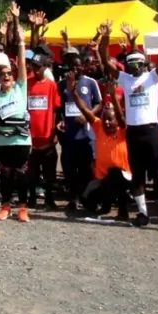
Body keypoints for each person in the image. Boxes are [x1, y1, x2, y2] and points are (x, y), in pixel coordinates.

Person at [98, 18, 158, 232]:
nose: (134, 66)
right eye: (131, 62)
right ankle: (142, 214)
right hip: (133, 132)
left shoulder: (152, 78)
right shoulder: (125, 79)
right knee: (137, 176)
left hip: (151, 131)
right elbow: (105, 61)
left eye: (138, 62)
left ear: (143, 63)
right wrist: (105, 37)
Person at [0, 2, 33, 223]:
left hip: (21, 141)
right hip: (2, 142)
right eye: (2, 74)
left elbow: (21, 63)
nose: (6, 76)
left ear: (14, 77)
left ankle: (23, 207)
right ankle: (5, 206)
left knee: (21, 174)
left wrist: (21, 41)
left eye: (9, 74)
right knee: (5, 175)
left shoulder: (21, 89)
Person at [59, 48, 101, 215]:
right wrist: (60, 120)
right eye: (72, 66)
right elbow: (59, 107)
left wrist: (88, 115)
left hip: (87, 134)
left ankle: (88, 200)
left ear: (83, 67)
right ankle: (73, 199)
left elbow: (99, 104)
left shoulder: (90, 83)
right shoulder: (62, 84)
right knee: (70, 169)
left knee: (87, 169)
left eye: (78, 66)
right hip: (69, 135)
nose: (75, 69)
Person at [82, 91, 133, 219]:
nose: (107, 123)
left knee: (115, 173)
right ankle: (105, 203)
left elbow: (121, 117)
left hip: (123, 178)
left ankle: (123, 210)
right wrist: (73, 93)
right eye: (105, 119)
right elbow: (85, 111)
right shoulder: (99, 127)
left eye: (110, 119)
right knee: (86, 199)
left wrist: (114, 98)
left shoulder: (123, 131)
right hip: (103, 179)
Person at [25, 52, 61, 210]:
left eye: (39, 67)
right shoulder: (27, 83)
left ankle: (49, 199)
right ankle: (31, 198)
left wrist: (54, 132)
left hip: (47, 135)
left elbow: (55, 109)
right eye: (34, 66)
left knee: (49, 173)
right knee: (31, 172)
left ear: (45, 68)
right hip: (31, 136)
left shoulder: (51, 85)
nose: (36, 70)